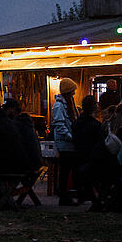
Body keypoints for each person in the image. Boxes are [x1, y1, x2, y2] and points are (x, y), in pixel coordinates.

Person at [72, 96, 117, 211]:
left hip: (80, 159)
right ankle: (101, 199)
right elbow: (101, 144)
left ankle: (96, 199)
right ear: (94, 107)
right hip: (94, 160)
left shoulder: (77, 123)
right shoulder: (96, 125)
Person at [51, 78, 80, 206]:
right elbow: (60, 125)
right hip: (65, 143)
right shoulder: (59, 106)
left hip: (68, 142)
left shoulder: (65, 104)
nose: (74, 94)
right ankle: (64, 196)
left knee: (67, 170)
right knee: (65, 170)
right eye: (72, 91)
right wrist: (70, 137)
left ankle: (65, 194)